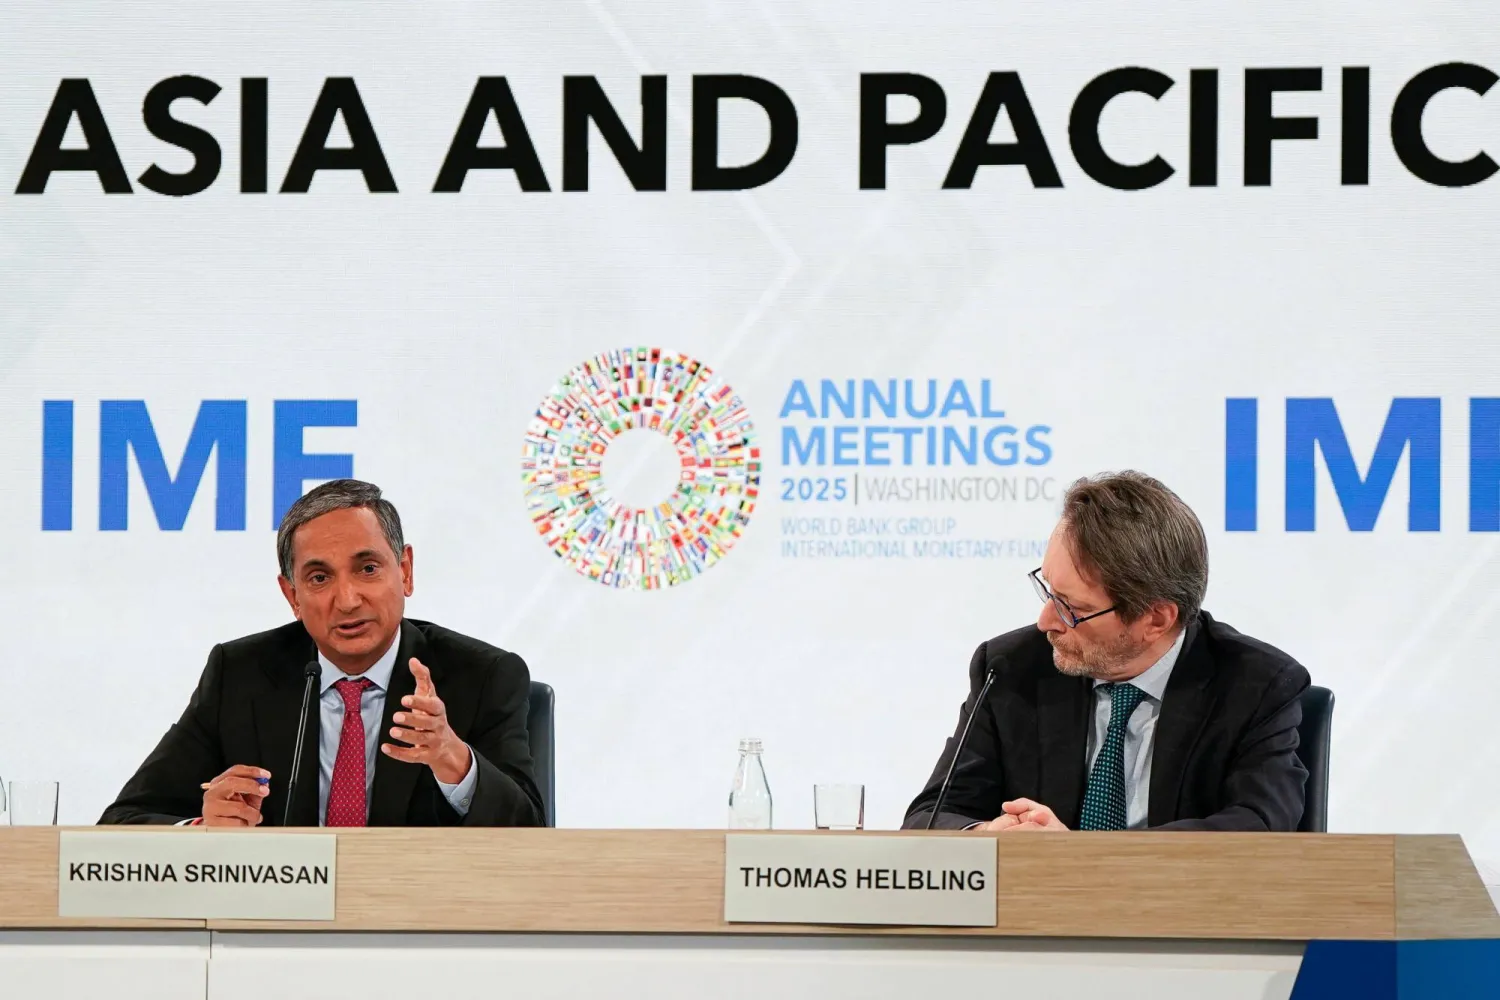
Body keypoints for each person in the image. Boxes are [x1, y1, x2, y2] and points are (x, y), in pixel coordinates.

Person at [100, 479, 544, 828]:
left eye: (367, 569)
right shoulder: (240, 676)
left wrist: (454, 760)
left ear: (404, 572)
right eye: (318, 578)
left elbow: (532, 836)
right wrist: (204, 827)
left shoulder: (483, 676)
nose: (347, 599)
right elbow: (121, 821)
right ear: (291, 595)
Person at [903, 471, 1311, 832]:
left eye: (1073, 608)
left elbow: (1259, 824)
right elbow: (931, 814)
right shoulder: (1011, 668)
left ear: (1156, 619)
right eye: (1048, 590)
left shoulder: (1256, 684)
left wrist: (1084, 861)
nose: (1047, 621)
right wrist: (990, 835)